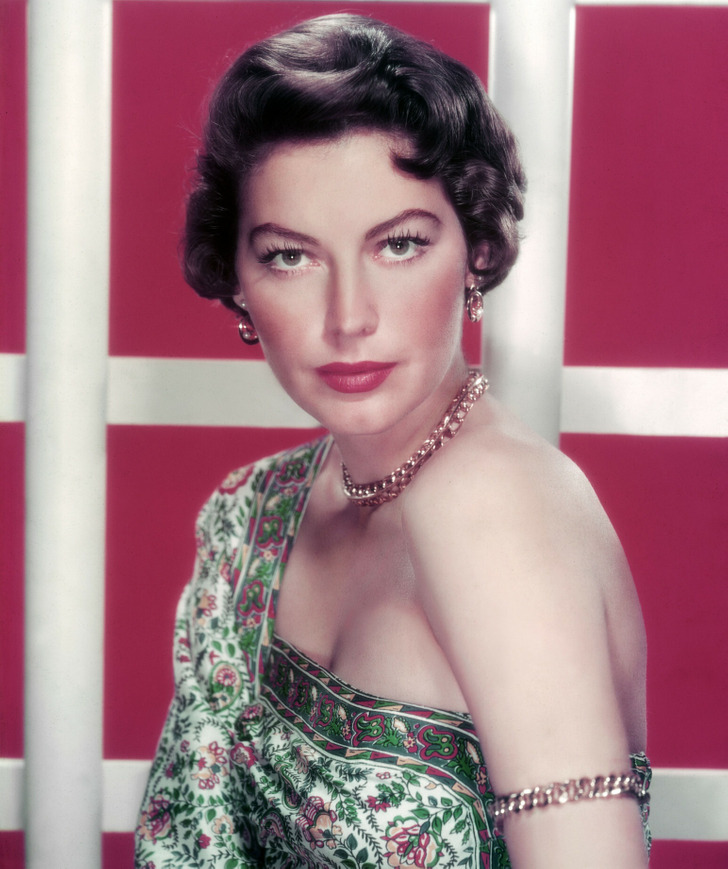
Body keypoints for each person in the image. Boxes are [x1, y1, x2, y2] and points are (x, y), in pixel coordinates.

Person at [135, 14, 650, 868]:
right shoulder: (253, 509)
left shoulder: (495, 508)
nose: (349, 318)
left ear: (476, 251)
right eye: (290, 256)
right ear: (238, 282)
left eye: (399, 244)